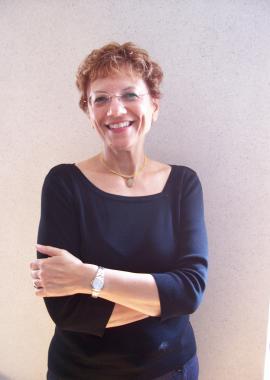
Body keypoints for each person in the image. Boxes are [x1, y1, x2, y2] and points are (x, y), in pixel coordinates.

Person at [30, 42, 208, 380]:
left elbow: (189, 292)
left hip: (171, 369)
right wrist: (160, 297)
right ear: (88, 111)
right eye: (101, 99)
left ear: (154, 104)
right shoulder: (64, 183)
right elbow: (66, 310)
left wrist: (87, 278)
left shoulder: (183, 184)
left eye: (130, 95)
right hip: (80, 372)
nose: (115, 110)